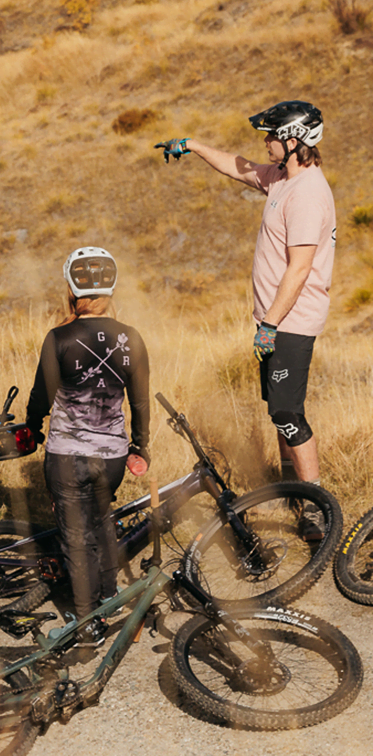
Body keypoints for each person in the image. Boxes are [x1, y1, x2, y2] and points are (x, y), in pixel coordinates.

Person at [157, 100, 334, 539]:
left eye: (272, 134)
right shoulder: (282, 179)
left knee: (288, 411)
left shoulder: (309, 195)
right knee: (278, 412)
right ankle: (296, 490)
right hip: (274, 321)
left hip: (291, 322)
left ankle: (317, 506)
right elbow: (240, 168)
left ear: (294, 141)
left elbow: (300, 268)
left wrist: (271, 323)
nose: (266, 141)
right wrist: (192, 145)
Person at [26, 248, 150, 647]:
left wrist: (31, 427)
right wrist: (140, 448)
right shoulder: (131, 337)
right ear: (112, 288)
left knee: (74, 538)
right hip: (111, 455)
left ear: (71, 287)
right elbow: (141, 402)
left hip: (66, 454)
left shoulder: (58, 337)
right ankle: (111, 597)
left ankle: (86, 624)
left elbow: (40, 398)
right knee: (102, 525)